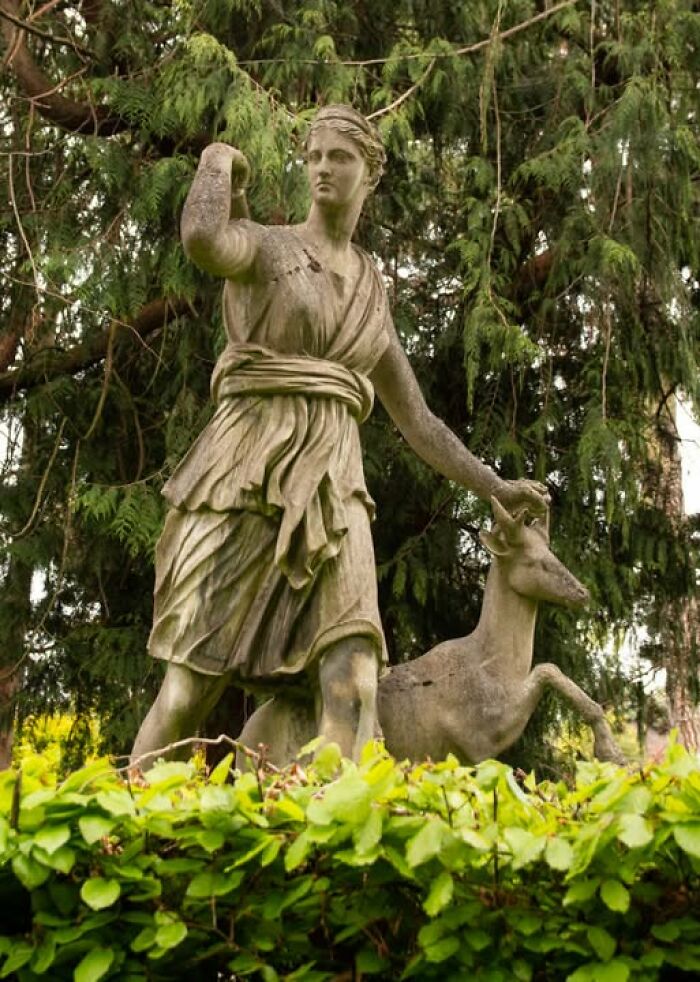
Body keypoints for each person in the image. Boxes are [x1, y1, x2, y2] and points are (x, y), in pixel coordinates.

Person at [130, 105, 549, 766]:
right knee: (187, 690)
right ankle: (123, 842)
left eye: (340, 157)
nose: (323, 168)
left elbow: (419, 421)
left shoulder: (370, 291)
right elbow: (205, 241)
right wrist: (216, 160)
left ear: (369, 175)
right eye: (315, 156)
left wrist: (493, 484)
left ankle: (326, 851)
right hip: (244, 473)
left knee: (353, 685)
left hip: (333, 489)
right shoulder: (266, 249)